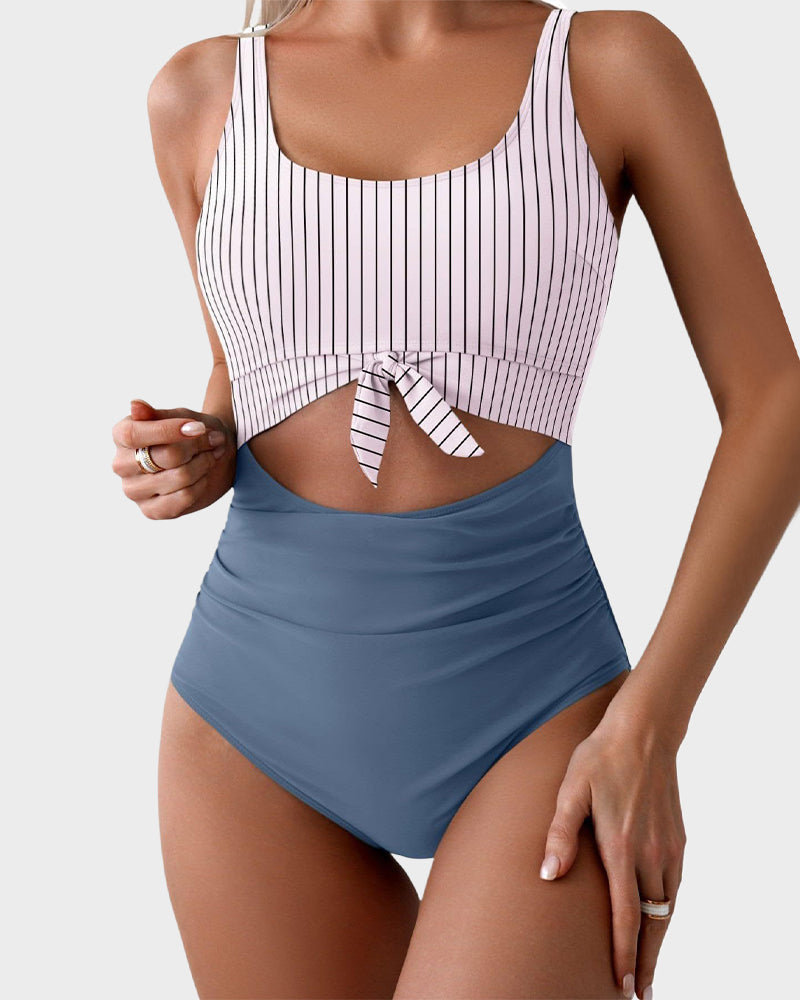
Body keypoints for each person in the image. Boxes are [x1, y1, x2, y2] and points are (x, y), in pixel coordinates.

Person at [111, 2, 800, 997]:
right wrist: (200, 447)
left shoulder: (607, 66)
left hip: (536, 713)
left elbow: (774, 398)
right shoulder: (199, 92)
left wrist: (652, 724)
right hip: (246, 720)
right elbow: (242, 365)